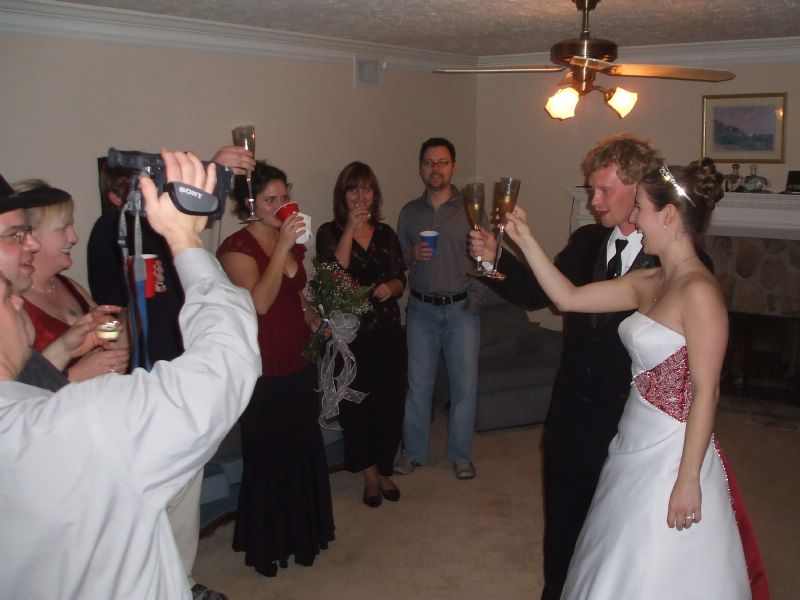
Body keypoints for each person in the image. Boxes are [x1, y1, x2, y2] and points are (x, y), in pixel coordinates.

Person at [0, 150, 261, 599]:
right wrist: (185, 241)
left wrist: (61, 350)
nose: (20, 300)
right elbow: (226, 361)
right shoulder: (78, 424)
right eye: (7, 298)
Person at [502, 158, 768, 598]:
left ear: (668, 215)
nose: (636, 217)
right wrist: (524, 240)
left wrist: (688, 479)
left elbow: (707, 391)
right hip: (630, 436)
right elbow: (568, 297)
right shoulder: (650, 279)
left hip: (671, 450)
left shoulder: (699, 292)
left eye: (641, 207)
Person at [470, 134, 665, 598]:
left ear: (639, 187)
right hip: (571, 411)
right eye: (592, 189)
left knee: (619, 529)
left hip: (630, 418)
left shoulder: (670, 259)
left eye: (605, 190)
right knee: (562, 526)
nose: (594, 201)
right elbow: (538, 293)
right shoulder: (586, 241)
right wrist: (494, 262)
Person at [87, 147, 254, 600]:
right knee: (158, 492)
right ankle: (160, 581)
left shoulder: (161, 227)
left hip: (179, 367)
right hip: (143, 377)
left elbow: (191, 246)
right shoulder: (109, 233)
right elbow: (109, 310)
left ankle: (181, 580)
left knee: (187, 484)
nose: (145, 192)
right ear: (114, 196)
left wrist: (214, 168)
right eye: (134, 187)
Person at [218, 161, 335, 576]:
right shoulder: (236, 248)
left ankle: (304, 536)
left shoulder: (292, 241)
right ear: (249, 204)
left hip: (298, 360)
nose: (281, 206)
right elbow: (259, 303)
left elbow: (294, 292)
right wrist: (282, 246)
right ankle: (267, 545)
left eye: (285, 197)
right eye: (271, 200)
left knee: (303, 450)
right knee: (268, 458)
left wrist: (312, 316)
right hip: (263, 370)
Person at [316, 161, 407, 507]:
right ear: (343, 195)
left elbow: (400, 278)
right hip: (349, 336)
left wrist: (391, 287)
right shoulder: (329, 232)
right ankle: (369, 474)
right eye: (353, 188)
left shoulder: (386, 234)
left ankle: (384, 467)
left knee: (390, 402)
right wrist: (350, 230)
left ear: (375, 194)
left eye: (367, 188)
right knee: (357, 407)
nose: (360, 195)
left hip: (387, 330)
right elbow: (333, 277)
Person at [395, 137, 485, 480]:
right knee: (418, 388)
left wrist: (474, 299)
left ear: (453, 168)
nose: (436, 169)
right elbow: (398, 260)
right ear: (421, 168)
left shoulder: (471, 209)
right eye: (429, 163)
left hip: (461, 310)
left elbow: (487, 259)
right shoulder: (409, 212)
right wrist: (410, 255)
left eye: (443, 162)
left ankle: (461, 455)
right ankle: (413, 453)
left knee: (464, 388)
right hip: (421, 311)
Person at [17, 180, 129, 380]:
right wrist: (75, 375)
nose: (74, 238)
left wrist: (138, 294)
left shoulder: (69, 285)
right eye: (63, 229)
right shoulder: (12, 301)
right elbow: (16, 386)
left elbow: (112, 339)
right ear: (29, 236)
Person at [0, 175, 100, 392]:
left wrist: (64, 349)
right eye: (14, 235)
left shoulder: (64, 285)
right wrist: (74, 375)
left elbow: (22, 386)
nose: (33, 245)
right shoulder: (15, 307)